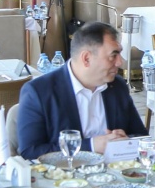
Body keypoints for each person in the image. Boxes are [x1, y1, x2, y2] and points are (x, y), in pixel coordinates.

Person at [16, 21, 147, 159]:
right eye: (113, 56)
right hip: (64, 172)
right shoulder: (39, 92)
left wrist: (126, 141)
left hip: (115, 169)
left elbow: (141, 136)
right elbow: (30, 152)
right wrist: (90, 146)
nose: (120, 62)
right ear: (86, 58)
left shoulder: (117, 86)